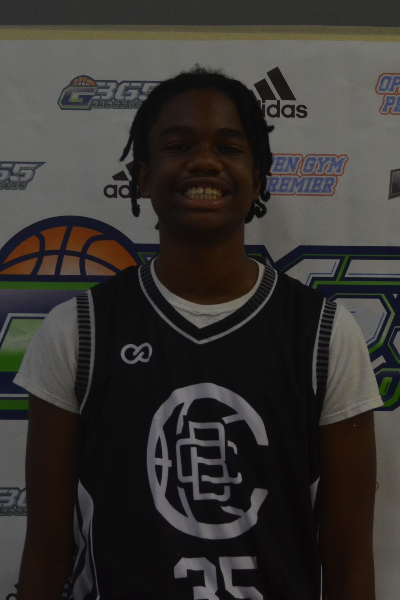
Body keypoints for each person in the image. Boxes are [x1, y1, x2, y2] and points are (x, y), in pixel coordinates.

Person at [15, 66, 382, 600]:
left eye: (229, 148)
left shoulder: (324, 335)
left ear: (259, 178)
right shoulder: (77, 330)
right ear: (143, 177)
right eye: (178, 146)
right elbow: (46, 554)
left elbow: (349, 564)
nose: (205, 162)